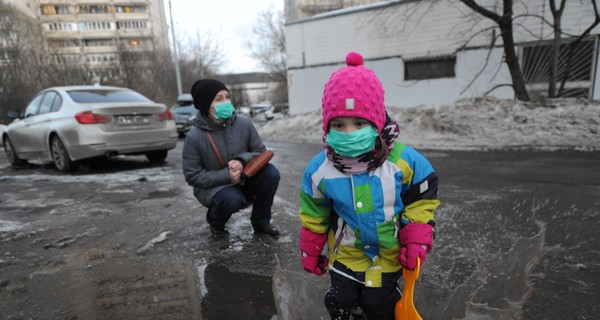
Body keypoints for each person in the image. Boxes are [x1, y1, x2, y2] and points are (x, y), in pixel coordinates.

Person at [297, 52, 440, 319]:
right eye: (338, 125)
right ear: (327, 126)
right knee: (341, 300)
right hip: (345, 256)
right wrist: (311, 246)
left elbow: (421, 200)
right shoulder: (321, 170)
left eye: (359, 123)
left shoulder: (403, 161)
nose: (348, 133)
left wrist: (417, 236)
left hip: (388, 254)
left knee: (378, 304)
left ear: (376, 122)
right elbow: (314, 213)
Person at [182, 79, 280, 239]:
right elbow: (192, 176)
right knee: (230, 199)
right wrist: (226, 175)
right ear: (206, 103)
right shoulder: (194, 137)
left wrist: (242, 161)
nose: (226, 102)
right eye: (219, 99)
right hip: (216, 188)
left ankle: (261, 222)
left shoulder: (244, 124)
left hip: (245, 177)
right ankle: (216, 223)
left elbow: (260, 152)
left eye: (227, 97)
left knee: (271, 173)